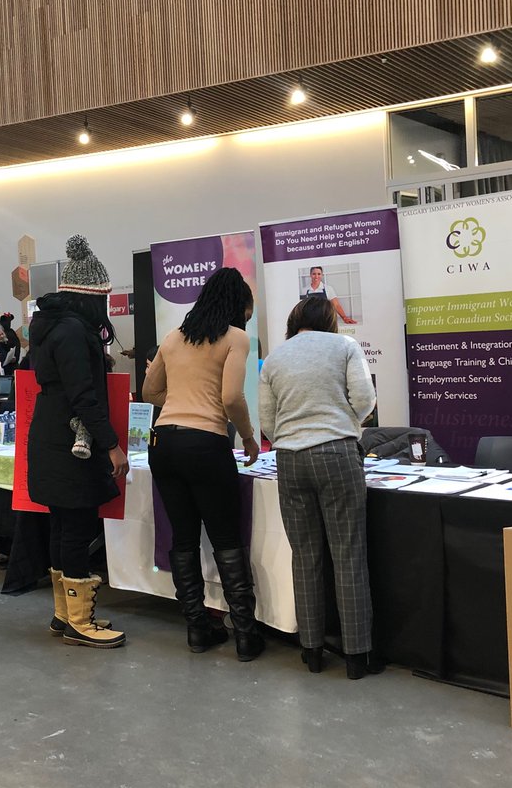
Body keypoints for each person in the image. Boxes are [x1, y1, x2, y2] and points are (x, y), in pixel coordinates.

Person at [142, 267, 265, 660]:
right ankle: (245, 635)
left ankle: (197, 629)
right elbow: (231, 398)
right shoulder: (235, 338)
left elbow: (149, 391)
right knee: (226, 537)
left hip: (163, 442)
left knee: (183, 538)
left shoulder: (174, 337)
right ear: (238, 305)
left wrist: (181, 400)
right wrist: (248, 436)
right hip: (206, 444)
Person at [259, 296, 377, 679]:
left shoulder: (274, 358)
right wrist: (346, 423)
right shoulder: (344, 346)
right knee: (348, 554)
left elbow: (267, 421)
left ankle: (311, 650)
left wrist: (291, 435)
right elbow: (365, 399)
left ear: (294, 321)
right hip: (337, 453)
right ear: (329, 320)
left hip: (290, 459)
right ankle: (357, 655)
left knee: (305, 555)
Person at [27, 234, 128, 649]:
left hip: (50, 433)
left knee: (62, 524)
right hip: (69, 442)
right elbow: (84, 395)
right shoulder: (72, 331)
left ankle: (65, 613)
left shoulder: (51, 326)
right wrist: (111, 444)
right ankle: (80, 622)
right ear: (91, 297)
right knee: (76, 527)